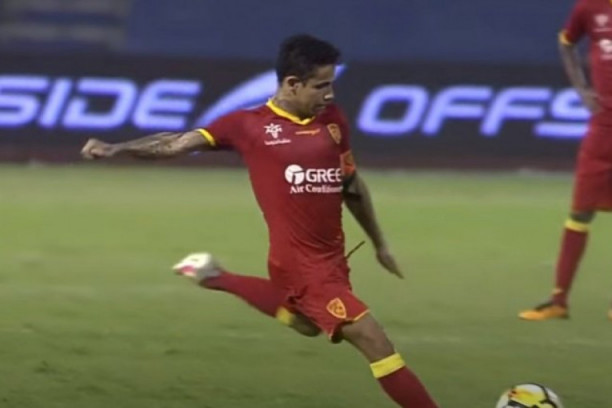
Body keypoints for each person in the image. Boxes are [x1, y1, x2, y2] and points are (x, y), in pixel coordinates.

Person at [81, 34, 438, 407]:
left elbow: (350, 185)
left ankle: (215, 276)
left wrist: (379, 243)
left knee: (307, 325)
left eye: (331, 84)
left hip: (332, 261)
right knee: (373, 339)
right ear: (292, 84)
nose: (330, 94)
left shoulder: (332, 120)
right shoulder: (247, 125)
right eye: (321, 86)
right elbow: (175, 143)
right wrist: (116, 148)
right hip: (301, 267)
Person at [519, 0, 612, 321]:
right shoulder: (589, 7)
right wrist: (582, 89)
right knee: (580, 212)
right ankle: (559, 300)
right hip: (603, 127)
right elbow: (566, 43)